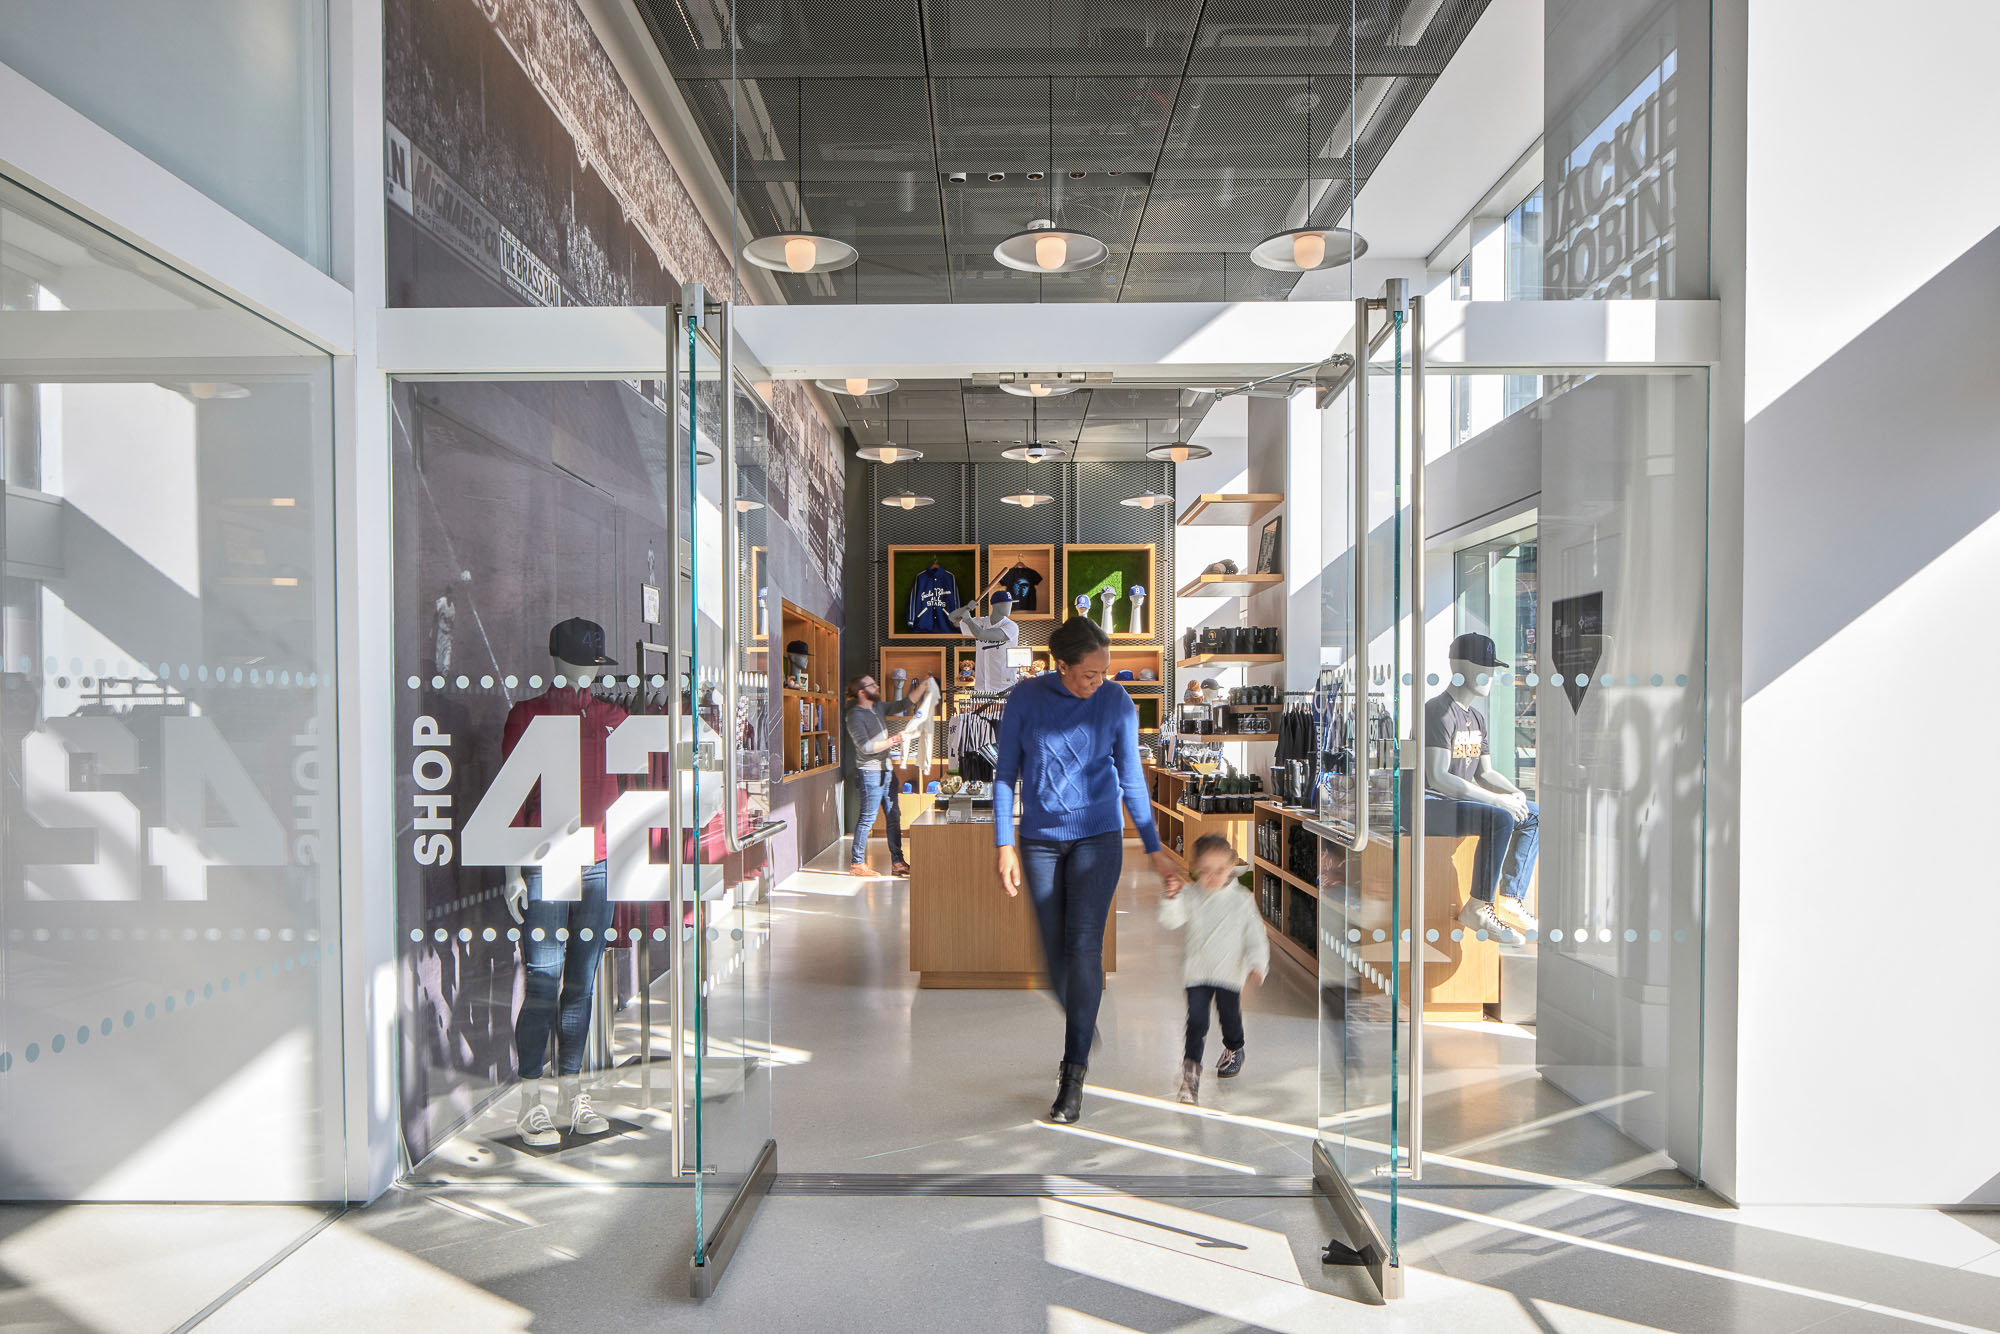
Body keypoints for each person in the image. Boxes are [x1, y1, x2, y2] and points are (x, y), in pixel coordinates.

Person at [995, 616, 1184, 1124]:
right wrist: (1004, 842)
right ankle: (1083, 1008)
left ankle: (1072, 1071)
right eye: (1089, 674)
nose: (1099, 681)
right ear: (1061, 667)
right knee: (1054, 955)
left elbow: (1133, 780)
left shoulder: (1117, 702)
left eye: (1105, 672)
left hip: (1099, 837)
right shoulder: (1026, 699)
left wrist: (1154, 848)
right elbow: (1004, 775)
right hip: (1038, 840)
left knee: (1084, 949)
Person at [1160, 833, 1269, 1106]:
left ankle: (1234, 1047)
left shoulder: (1241, 900)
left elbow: (1255, 934)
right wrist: (1171, 898)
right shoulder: (1191, 895)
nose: (1212, 877)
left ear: (1232, 866)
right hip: (1197, 972)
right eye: (1205, 871)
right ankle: (1191, 1074)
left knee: (1229, 1017)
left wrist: (1257, 963)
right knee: (1196, 1022)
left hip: (1229, 973)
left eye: (1220, 870)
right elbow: (1171, 922)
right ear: (1195, 869)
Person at [846, 674, 918, 878]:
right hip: (870, 772)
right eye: (872, 685)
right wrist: (895, 739)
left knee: (894, 816)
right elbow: (867, 747)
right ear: (862, 692)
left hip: (886, 771)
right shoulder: (855, 716)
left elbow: (904, 703)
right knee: (868, 818)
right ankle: (857, 863)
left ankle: (897, 862)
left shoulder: (877, 708)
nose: (877, 686)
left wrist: (924, 688)